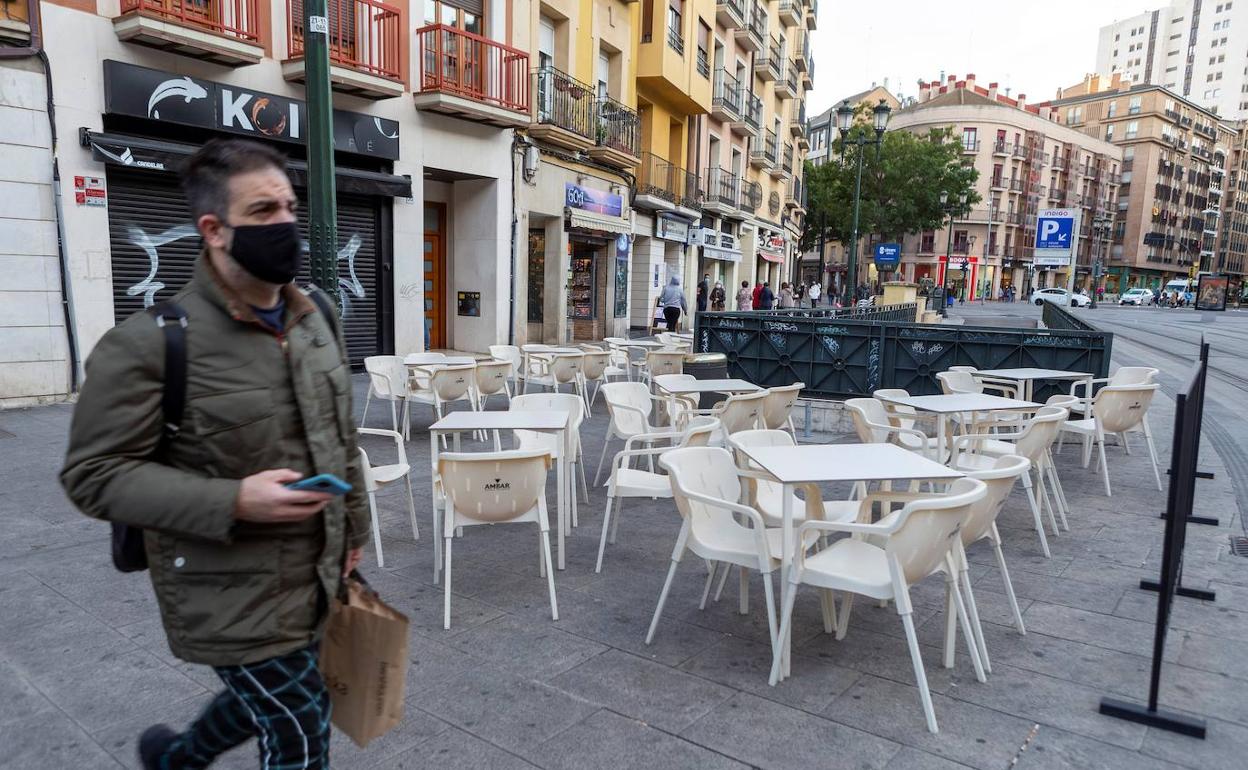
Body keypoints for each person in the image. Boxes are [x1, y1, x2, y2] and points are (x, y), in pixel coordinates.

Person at [60, 139, 369, 770]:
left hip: (319, 573)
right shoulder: (147, 346)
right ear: (214, 230)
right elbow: (93, 475)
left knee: (274, 699)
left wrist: (355, 532)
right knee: (300, 726)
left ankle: (177, 759)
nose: (284, 223)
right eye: (261, 212)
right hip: (230, 594)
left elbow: (342, 440)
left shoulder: (319, 320)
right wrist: (234, 501)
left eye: (288, 206)